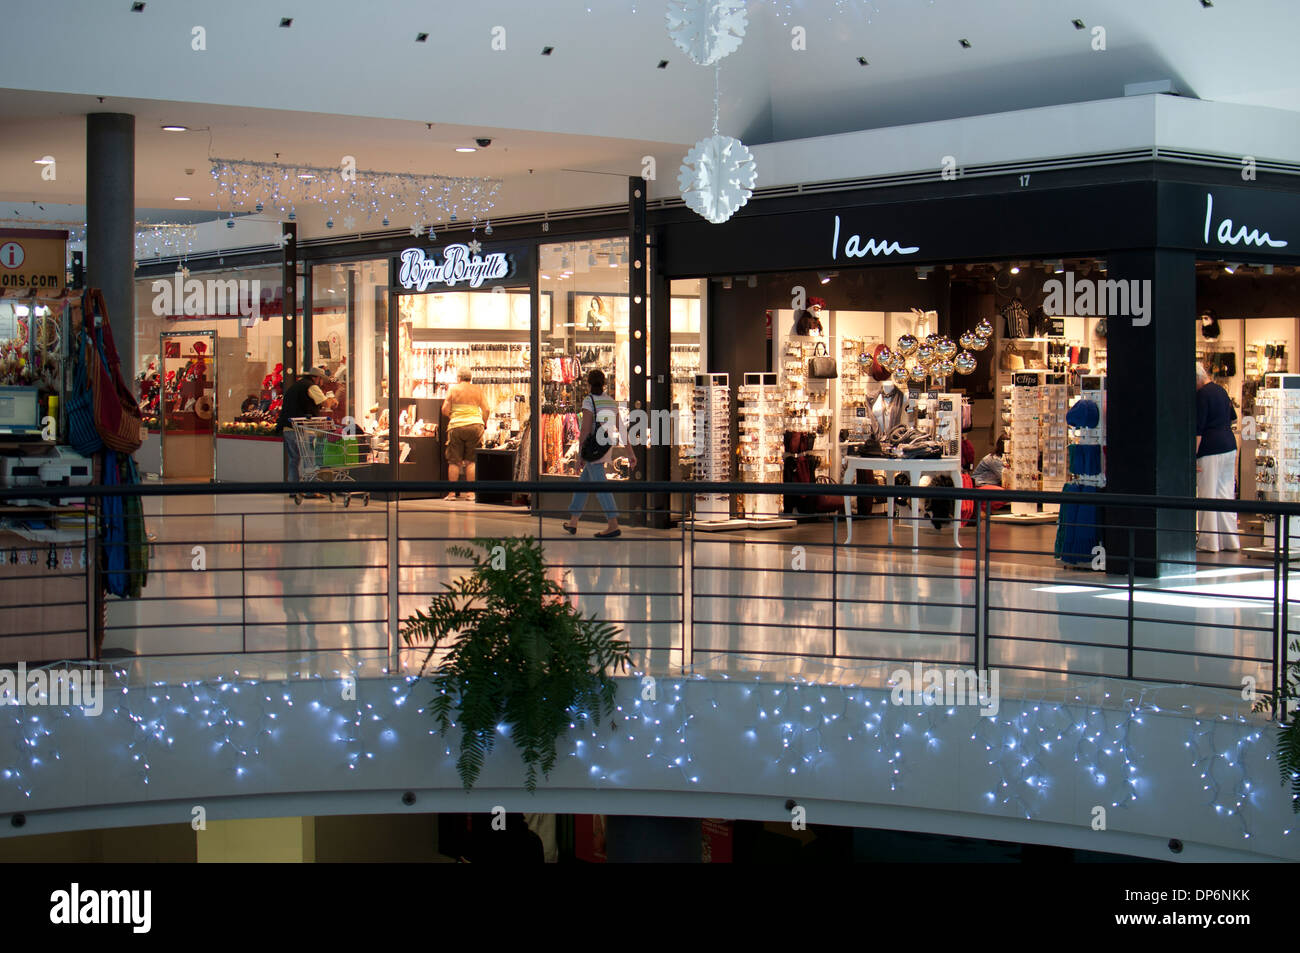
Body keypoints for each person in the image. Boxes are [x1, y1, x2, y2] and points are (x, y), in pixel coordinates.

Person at [562, 369, 622, 539]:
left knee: (600, 486)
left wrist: (580, 454)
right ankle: (573, 521)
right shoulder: (610, 401)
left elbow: (586, 430)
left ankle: (613, 524)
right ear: (604, 384)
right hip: (605, 445)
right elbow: (621, 428)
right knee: (584, 483)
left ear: (588, 384)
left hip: (593, 448)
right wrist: (631, 452)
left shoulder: (589, 401)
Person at [1195, 363, 1240, 552]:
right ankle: (1230, 541)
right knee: (1225, 494)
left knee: (1207, 493)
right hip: (1229, 445)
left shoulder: (1202, 395)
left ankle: (1209, 542)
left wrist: (1193, 455)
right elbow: (1233, 417)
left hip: (1210, 448)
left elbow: (1198, 429)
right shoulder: (1221, 390)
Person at [274, 366, 337, 483]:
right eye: (321, 380)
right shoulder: (311, 386)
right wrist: (332, 400)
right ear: (317, 378)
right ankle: (310, 489)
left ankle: (294, 489)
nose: (322, 383)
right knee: (309, 460)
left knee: (294, 460)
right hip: (302, 429)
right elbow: (326, 403)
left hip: (287, 428)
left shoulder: (296, 386)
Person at [442, 368, 491, 500]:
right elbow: (486, 409)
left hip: (456, 426)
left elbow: (445, 409)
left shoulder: (453, 389)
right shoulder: (478, 390)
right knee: (471, 461)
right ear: (470, 378)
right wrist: (484, 422)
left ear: (458, 378)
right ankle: (471, 493)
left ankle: (452, 493)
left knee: (454, 461)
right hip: (475, 425)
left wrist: (452, 415)